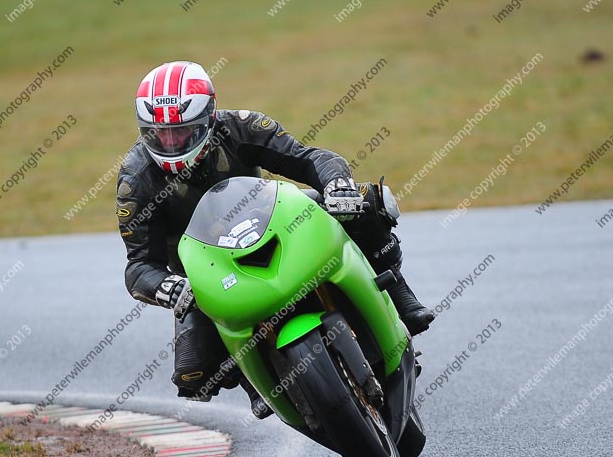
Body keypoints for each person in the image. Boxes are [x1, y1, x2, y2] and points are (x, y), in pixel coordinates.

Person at [116, 61, 435, 417]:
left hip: (267, 223)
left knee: (364, 202)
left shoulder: (241, 127)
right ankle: (256, 381)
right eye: (159, 133)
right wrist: (169, 287)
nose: (171, 142)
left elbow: (308, 158)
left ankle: (399, 295)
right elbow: (139, 264)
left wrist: (336, 184)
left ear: (209, 116)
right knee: (194, 371)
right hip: (207, 271)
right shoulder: (135, 179)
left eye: (182, 131)